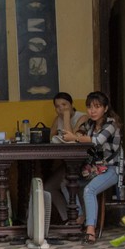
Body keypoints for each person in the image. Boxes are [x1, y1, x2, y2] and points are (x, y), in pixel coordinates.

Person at [59, 91, 121, 244]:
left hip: (111, 170)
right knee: (66, 183)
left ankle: (90, 229)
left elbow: (97, 140)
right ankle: (80, 216)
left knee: (89, 190)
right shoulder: (90, 124)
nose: (92, 111)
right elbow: (81, 131)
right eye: (89, 107)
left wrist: (75, 138)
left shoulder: (111, 124)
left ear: (105, 109)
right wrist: (79, 133)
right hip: (93, 170)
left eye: (97, 107)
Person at [45, 92, 88, 223]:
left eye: (64, 104)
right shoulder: (57, 119)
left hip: (83, 163)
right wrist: (61, 119)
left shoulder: (83, 118)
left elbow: (71, 142)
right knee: (48, 187)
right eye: (57, 106)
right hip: (67, 163)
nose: (61, 108)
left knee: (66, 182)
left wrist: (67, 117)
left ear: (71, 104)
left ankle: (78, 216)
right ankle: (68, 218)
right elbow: (50, 138)